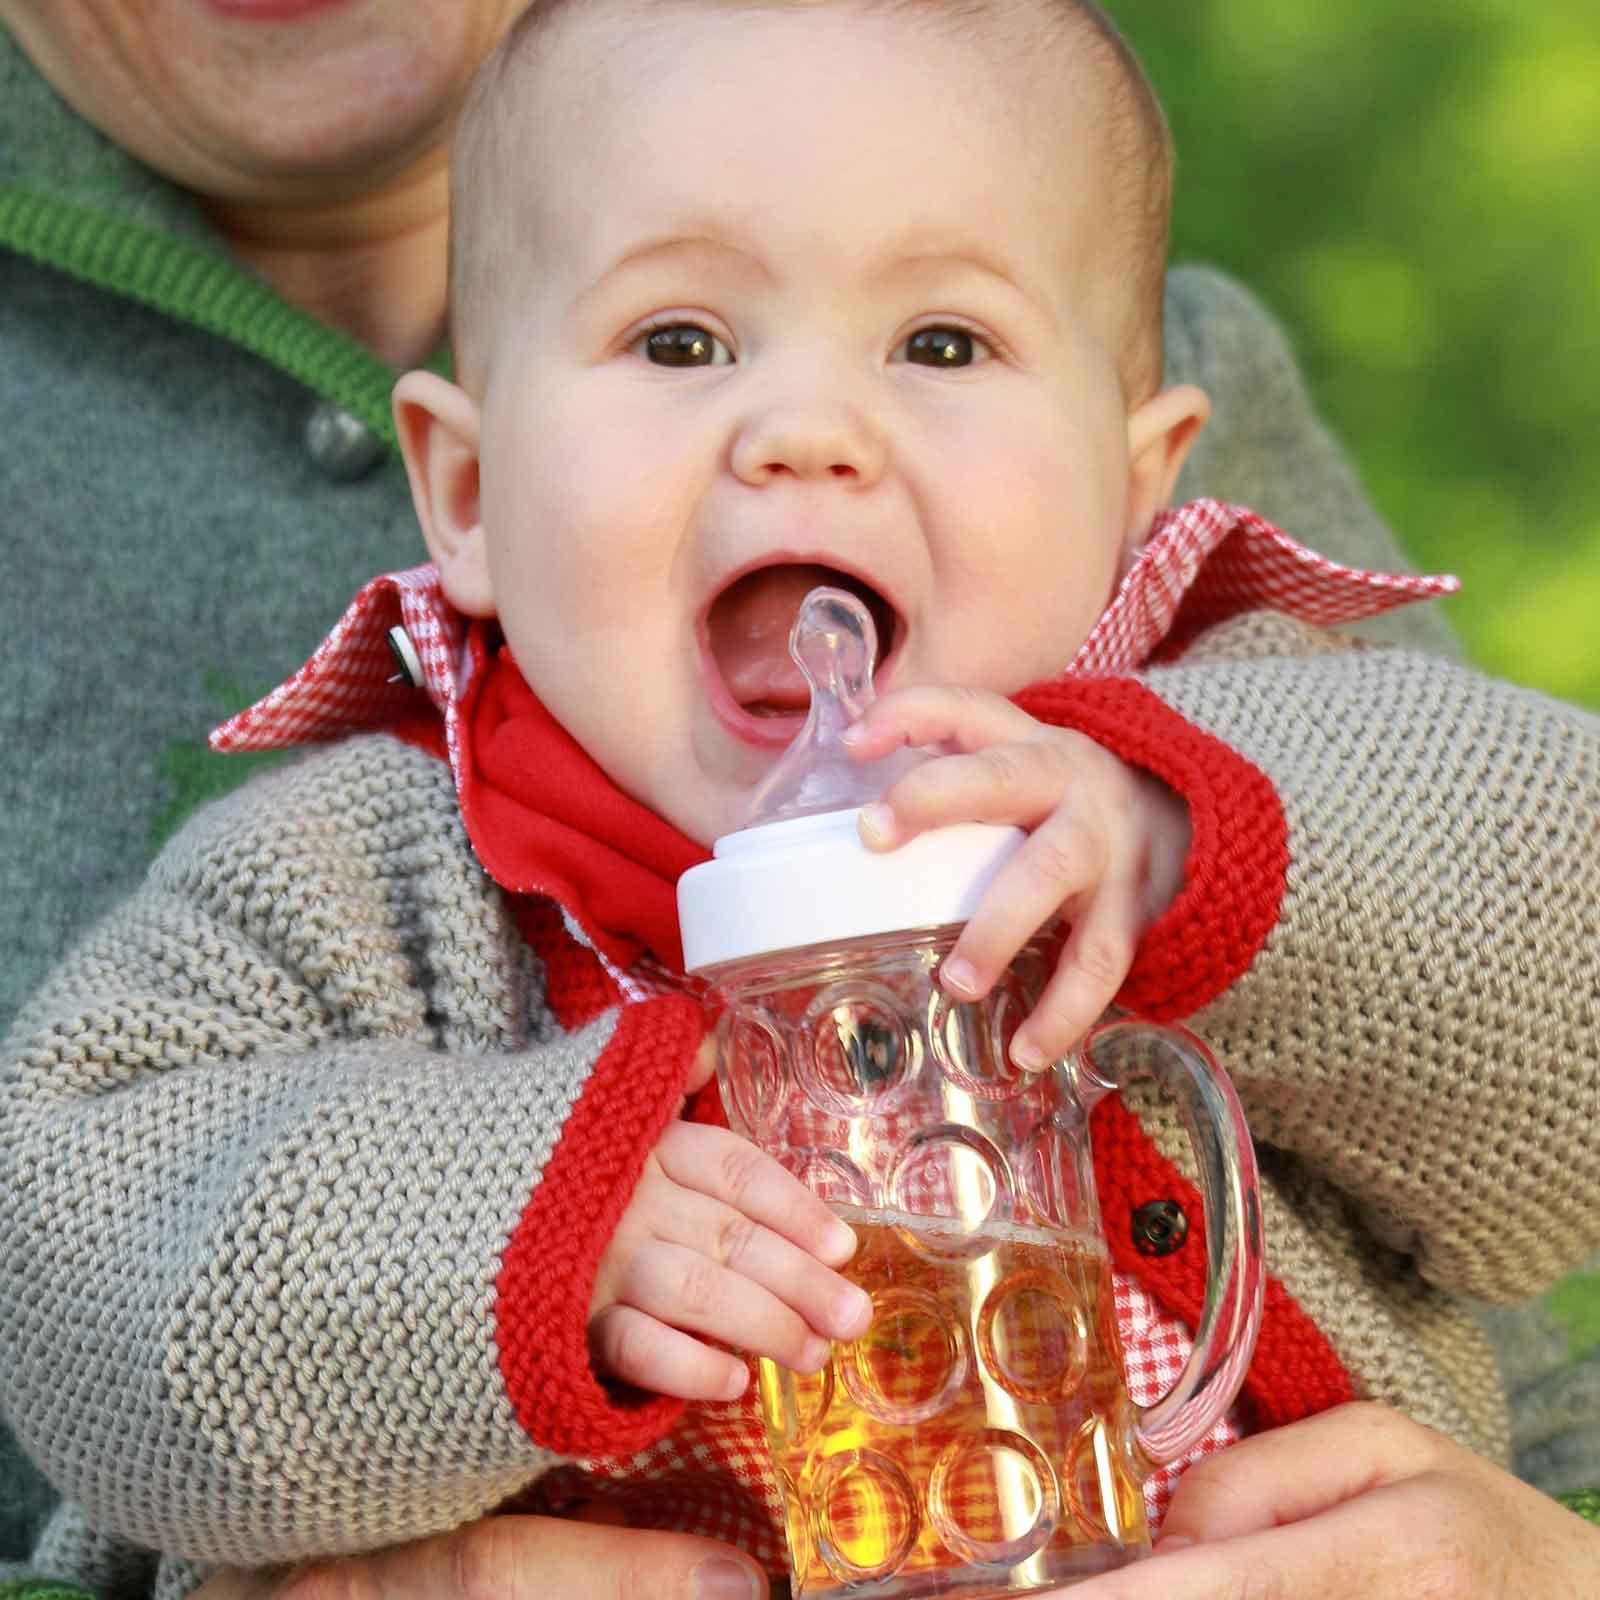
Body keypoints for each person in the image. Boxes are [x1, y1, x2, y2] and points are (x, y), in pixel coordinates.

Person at [2, 6, 1596, 1600]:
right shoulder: (369, 872)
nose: (809, 435)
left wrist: (1190, 849)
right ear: (470, 497)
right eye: (681, 344)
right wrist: (541, 1222)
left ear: (1138, 486)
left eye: (941, 345)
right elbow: (74, 1255)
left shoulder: (1240, 729)